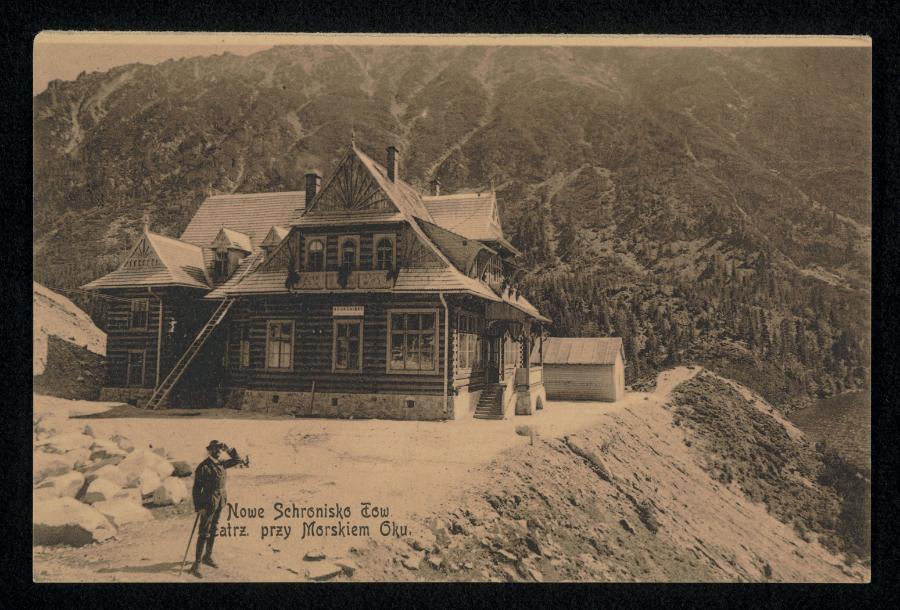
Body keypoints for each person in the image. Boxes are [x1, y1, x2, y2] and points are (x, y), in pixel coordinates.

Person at [189, 440, 243, 578]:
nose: (218, 451)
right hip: (208, 502)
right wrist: (199, 507)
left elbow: (238, 460)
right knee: (203, 532)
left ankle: (208, 556)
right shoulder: (203, 467)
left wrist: (229, 449)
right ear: (210, 450)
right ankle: (197, 563)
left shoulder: (222, 463)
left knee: (214, 529)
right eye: (215, 449)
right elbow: (196, 489)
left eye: (220, 449)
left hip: (220, 500)